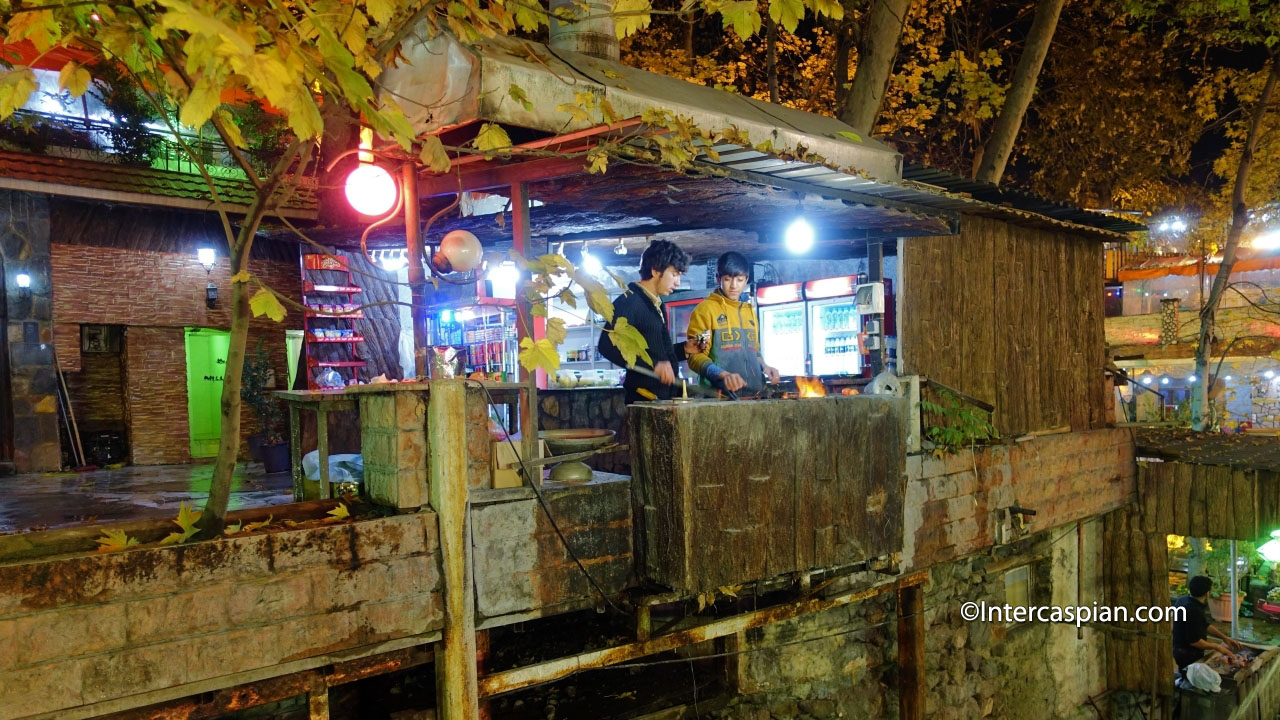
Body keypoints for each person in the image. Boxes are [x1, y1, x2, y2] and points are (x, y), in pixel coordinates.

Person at [598, 240, 704, 404]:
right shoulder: (629, 301)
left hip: (661, 400)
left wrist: (684, 349)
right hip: (643, 401)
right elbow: (606, 346)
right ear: (655, 270)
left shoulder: (656, 304)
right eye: (674, 274)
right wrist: (654, 366)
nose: (678, 282)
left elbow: (656, 353)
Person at [685, 251, 780, 396]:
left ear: (746, 279)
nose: (734, 286)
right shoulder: (705, 311)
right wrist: (723, 375)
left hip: (755, 395)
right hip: (719, 398)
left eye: (740, 280)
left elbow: (755, 350)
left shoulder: (749, 311)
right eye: (728, 279)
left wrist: (765, 366)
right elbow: (696, 357)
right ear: (718, 278)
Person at [1172, 575, 1244, 671]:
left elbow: (1205, 625)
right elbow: (1195, 642)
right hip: (1187, 653)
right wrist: (1217, 647)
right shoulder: (1193, 610)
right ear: (1207, 593)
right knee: (1190, 676)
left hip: (1180, 649)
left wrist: (1225, 638)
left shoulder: (1184, 600)